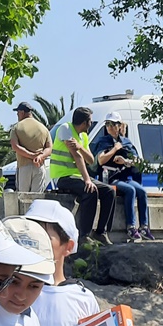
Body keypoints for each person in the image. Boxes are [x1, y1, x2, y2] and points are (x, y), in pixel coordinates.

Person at [48, 106, 115, 248]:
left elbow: (91, 160)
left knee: (109, 191)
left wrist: (80, 146)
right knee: (90, 191)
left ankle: (101, 232)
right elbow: (77, 157)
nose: (91, 124)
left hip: (77, 176)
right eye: (90, 121)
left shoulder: (83, 136)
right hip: (63, 177)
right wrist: (87, 180)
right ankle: (84, 235)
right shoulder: (66, 129)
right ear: (85, 122)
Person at [91, 111, 154, 243]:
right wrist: (114, 149)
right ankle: (131, 227)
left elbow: (137, 161)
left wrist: (125, 161)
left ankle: (144, 226)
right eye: (108, 124)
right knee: (130, 191)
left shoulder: (126, 142)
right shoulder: (103, 141)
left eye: (113, 124)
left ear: (119, 126)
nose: (111, 127)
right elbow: (101, 160)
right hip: (111, 179)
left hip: (125, 177)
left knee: (141, 191)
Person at [9, 101, 52, 193]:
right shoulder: (43, 128)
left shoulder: (16, 127)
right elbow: (49, 148)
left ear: (22, 112)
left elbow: (15, 146)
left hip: (24, 167)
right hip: (39, 166)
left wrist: (32, 156)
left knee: (22, 198)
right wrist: (40, 156)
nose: (17, 116)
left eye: (18, 114)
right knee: (36, 199)